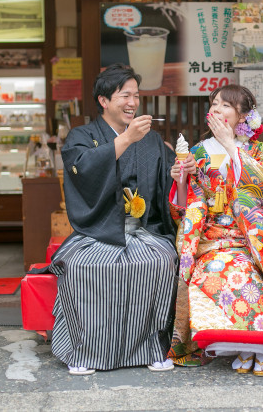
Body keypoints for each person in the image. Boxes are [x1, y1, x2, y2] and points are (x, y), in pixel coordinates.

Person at [42, 63, 179, 376]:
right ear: (104, 101)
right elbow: (82, 168)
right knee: (85, 267)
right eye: (124, 95)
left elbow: (168, 185)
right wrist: (127, 139)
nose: (132, 101)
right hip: (97, 231)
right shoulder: (82, 136)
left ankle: (154, 347)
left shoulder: (151, 139)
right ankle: (85, 350)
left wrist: (178, 175)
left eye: (136, 95)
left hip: (143, 231)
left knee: (160, 261)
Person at [168, 84, 263, 376]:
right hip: (212, 238)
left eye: (225, 105)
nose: (216, 110)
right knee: (214, 272)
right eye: (214, 104)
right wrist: (181, 181)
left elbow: (260, 194)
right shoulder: (199, 151)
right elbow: (187, 205)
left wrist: (231, 146)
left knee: (252, 272)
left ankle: (262, 348)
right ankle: (242, 347)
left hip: (249, 237)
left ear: (243, 114)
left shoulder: (256, 150)